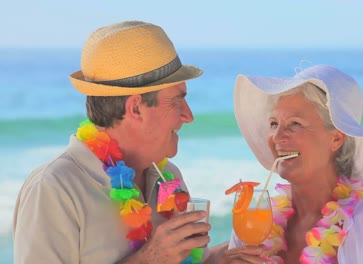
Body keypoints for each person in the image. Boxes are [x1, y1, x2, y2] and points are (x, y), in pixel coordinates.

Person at [13, 20, 227, 264]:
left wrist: (218, 259)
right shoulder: (54, 188)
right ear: (136, 108)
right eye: (176, 101)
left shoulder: (167, 176)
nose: (189, 116)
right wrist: (147, 260)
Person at [224, 64, 363, 263]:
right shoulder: (253, 228)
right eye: (274, 124)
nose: (277, 137)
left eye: (295, 123)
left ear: (336, 139)